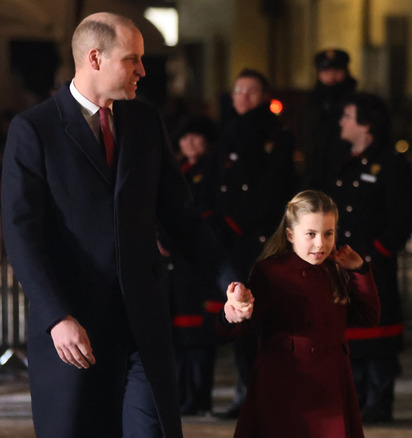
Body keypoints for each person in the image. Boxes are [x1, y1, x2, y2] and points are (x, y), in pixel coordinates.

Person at [0, 12, 253, 438]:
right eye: (132, 59)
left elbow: (182, 217)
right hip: (73, 332)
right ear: (95, 58)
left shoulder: (145, 122)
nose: (143, 69)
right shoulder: (34, 129)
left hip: (144, 328)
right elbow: (21, 235)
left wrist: (227, 281)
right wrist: (56, 316)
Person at [216, 190, 380, 437]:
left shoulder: (336, 268)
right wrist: (235, 312)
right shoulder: (271, 271)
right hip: (286, 386)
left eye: (328, 234)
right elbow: (242, 326)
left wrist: (360, 270)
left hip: (332, 383)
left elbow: (368, 318)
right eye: (311, 234)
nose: (321, 244)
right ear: (291, 234)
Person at [324, 93, 412, 423]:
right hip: (341, 266)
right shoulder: (341, 161)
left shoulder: (390, 164)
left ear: (366, 124)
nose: (341, 122)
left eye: (348, 116)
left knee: (377, 336)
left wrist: (376, 254)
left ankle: (378, 402)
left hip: (372, 267)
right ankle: (355, 399)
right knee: (349, 337)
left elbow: (402, 217)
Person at [213, 68, 297, 418]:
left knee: (267, 321)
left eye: (250, 91)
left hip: (259, 238)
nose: (242, 96)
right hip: (233, 241)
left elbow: (271, 188)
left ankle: (269, 395)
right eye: (238, 90)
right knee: (240, 321)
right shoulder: (227, 134)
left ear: (264, 97)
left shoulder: (275, 136)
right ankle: (247, 392)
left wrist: (239, 223)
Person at [161, 115, 223, 416]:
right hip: (174, 262)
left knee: (199, 336)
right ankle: (181, 397)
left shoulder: (214, 172)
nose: (191, 143)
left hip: (197, 260)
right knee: (178, 338)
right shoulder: (176, 171)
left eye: (197, 137)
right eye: (185, 138)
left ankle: (197, 398)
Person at [299, 49, 358, 189]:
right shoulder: (311, 102)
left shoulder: (354, 101)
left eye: (336, 71)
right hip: (315, 168)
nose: (331, 76)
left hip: (346, 167)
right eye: (326, 72)